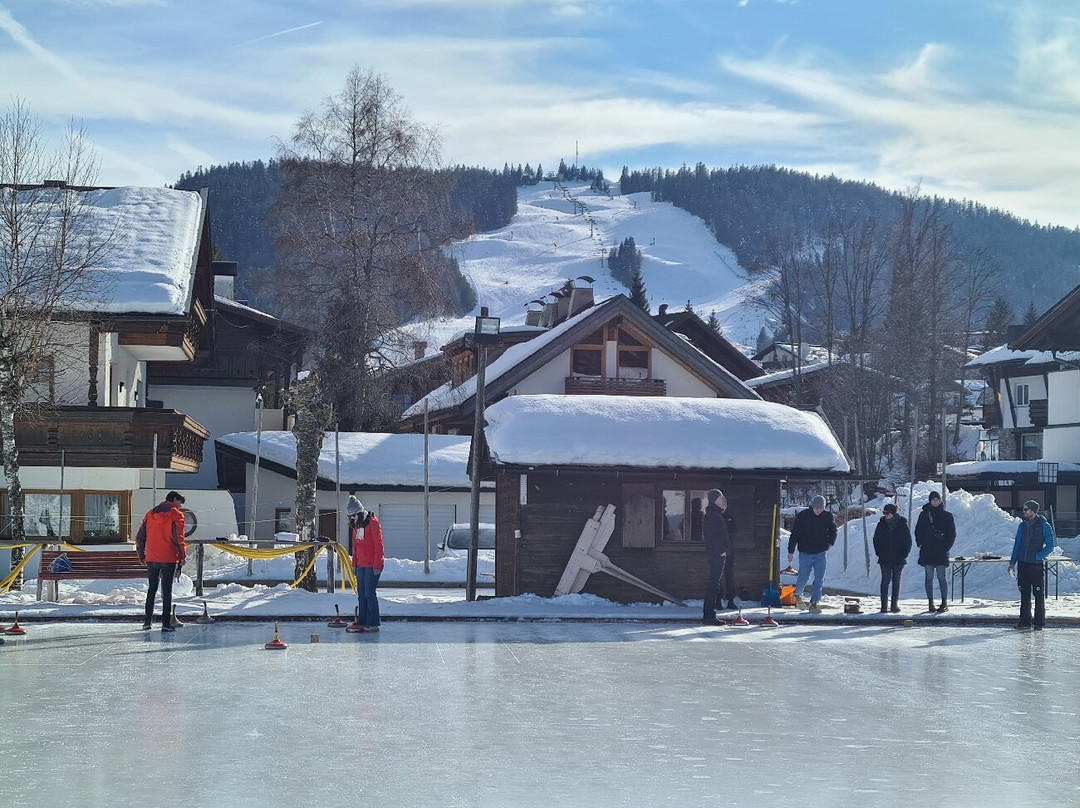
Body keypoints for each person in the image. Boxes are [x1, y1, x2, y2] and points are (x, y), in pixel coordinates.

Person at [135, 490, 187, 632]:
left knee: (152, 589)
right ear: (174, 499)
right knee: (167, 591)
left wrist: (141, 555)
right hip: (168, 557)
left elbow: (140, 537)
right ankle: (165, 624)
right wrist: (182, 556)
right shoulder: (176, 514)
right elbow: (178, 538)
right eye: (180, 502)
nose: (180, 506)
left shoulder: (150, 513)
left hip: (151, 557)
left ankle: (147, 622)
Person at [1008, 500, 1055, 630]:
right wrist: (1012, 563)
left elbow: (1051, 545)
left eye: (1026, 509)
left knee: (1038, 594)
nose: (1023, 512)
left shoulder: (1044, 526)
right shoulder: (1022, 526)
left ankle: (1039, 622)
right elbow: (1017, 545)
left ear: (1033, 511)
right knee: (1024, 593)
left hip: (1036, 565)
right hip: (1023, 564)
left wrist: (1038, 556)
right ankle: (1024, 621)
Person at [786, 495, 837, 613]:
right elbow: (795, 534)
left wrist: (831, 543)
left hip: (821, 553)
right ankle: (798, 594)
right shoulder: (803, 516)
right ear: (812, 506)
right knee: (804, 576)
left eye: (821, 509)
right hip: (805, 552)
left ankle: (814, 602)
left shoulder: (827, 516)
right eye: (816, 508)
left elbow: (833, 531)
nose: (818, 511)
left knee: (819, 578)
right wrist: (791, 551)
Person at [914, 490, 956, 613]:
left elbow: (952, 534)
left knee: (941, 577)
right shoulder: (924, 515)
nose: (935, 502)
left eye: (937, 499)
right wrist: (920, 544)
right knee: (929, 577)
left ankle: (944, 602)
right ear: (930, 501)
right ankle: (930, 602)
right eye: (933, 500)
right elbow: (918, 531)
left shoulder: (947, 516)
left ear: (940, 500)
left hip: (941, 551)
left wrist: (946, 547)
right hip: (927, 550)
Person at [348, 496, 384, 632]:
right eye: (349, 516)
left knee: (369, 593)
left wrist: (377, 565)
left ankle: (373, 622)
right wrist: (354, 564)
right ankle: (362, 621)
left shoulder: (373, 523)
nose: (351, 518)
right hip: (361, 565)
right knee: (361, 594)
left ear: (359, 513)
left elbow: (379, 546)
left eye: (353, 515)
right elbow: (355, 547)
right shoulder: (356, 526)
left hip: (372, 565)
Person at [872, 503, 911, 614]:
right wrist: (879, 553)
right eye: (884, 513)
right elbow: (876, 540)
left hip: (898, 559)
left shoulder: (902, 524)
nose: (885, 515)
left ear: (893, 513)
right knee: (885, 581)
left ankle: (894, 605)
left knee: (896, 581)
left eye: (887, 513)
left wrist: (904, 554)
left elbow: (908, 541)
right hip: (884, 558)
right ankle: (884, 606)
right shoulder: (881, 524)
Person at [701, 488, 731, 625]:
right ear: (714, 500)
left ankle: (710, 615)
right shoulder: (712, 516)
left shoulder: (717, 514)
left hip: (718, 553)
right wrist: (721, 551)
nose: (723, 500)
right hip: (716, 554)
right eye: (720, 498)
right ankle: (709, 616)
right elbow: (711, 537)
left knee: (715, 584)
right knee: (713, 584)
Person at [718, 493, 738, 610]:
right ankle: (718, 601)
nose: (724, 506)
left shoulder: (730, 517)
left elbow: (734, 530)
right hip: (718, 551)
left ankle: (730, 600)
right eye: (722, 503)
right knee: (718, 577)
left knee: (729, 577)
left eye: (725, 504)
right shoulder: (716, 517)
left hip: (729, 551)